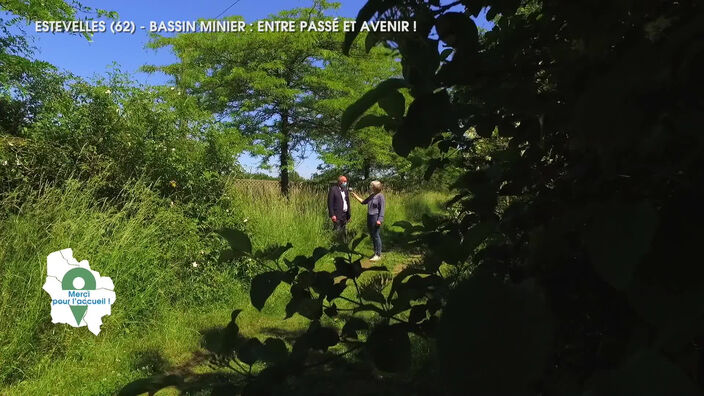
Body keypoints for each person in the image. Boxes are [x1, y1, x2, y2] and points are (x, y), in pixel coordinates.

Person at [351, 180, 385, 261]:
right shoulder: (372, 195)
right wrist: (355, 196)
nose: (370, 187)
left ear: (375, 187)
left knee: (376, 235)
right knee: (372, 236)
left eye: (371, 186)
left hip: (375, 217)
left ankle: (378, 254)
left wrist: (380, 219)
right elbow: (363, 202)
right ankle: (375, 252)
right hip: (369, 217)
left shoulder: (380, 196)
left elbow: (382, 209)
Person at [327, 175, 351, 240]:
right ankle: (335, 244)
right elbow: (330, 203)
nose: (346, 183)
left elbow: (348, 202)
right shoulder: (333, 189)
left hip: (345, 214)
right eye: (345, 181)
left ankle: (343, 244)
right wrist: (332, 215)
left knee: (344, 230)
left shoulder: (345, 190)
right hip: (337, 214)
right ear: (340, 182)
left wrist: (349, 215)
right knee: (337, 230)